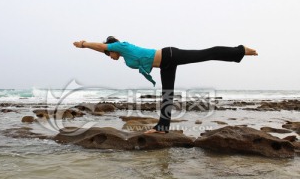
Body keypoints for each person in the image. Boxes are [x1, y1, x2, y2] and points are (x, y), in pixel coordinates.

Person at [73, 36, 258, 134]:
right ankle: (162, 128)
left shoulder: (119, 46)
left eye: (109, 54)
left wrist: (83, 44)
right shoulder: (123, 53)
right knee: (166, 96)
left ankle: (239, 50)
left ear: (111, 48)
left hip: (169, 55)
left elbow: (102, 47)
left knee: (205, 53)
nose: (110, 58)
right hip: (165, 64)